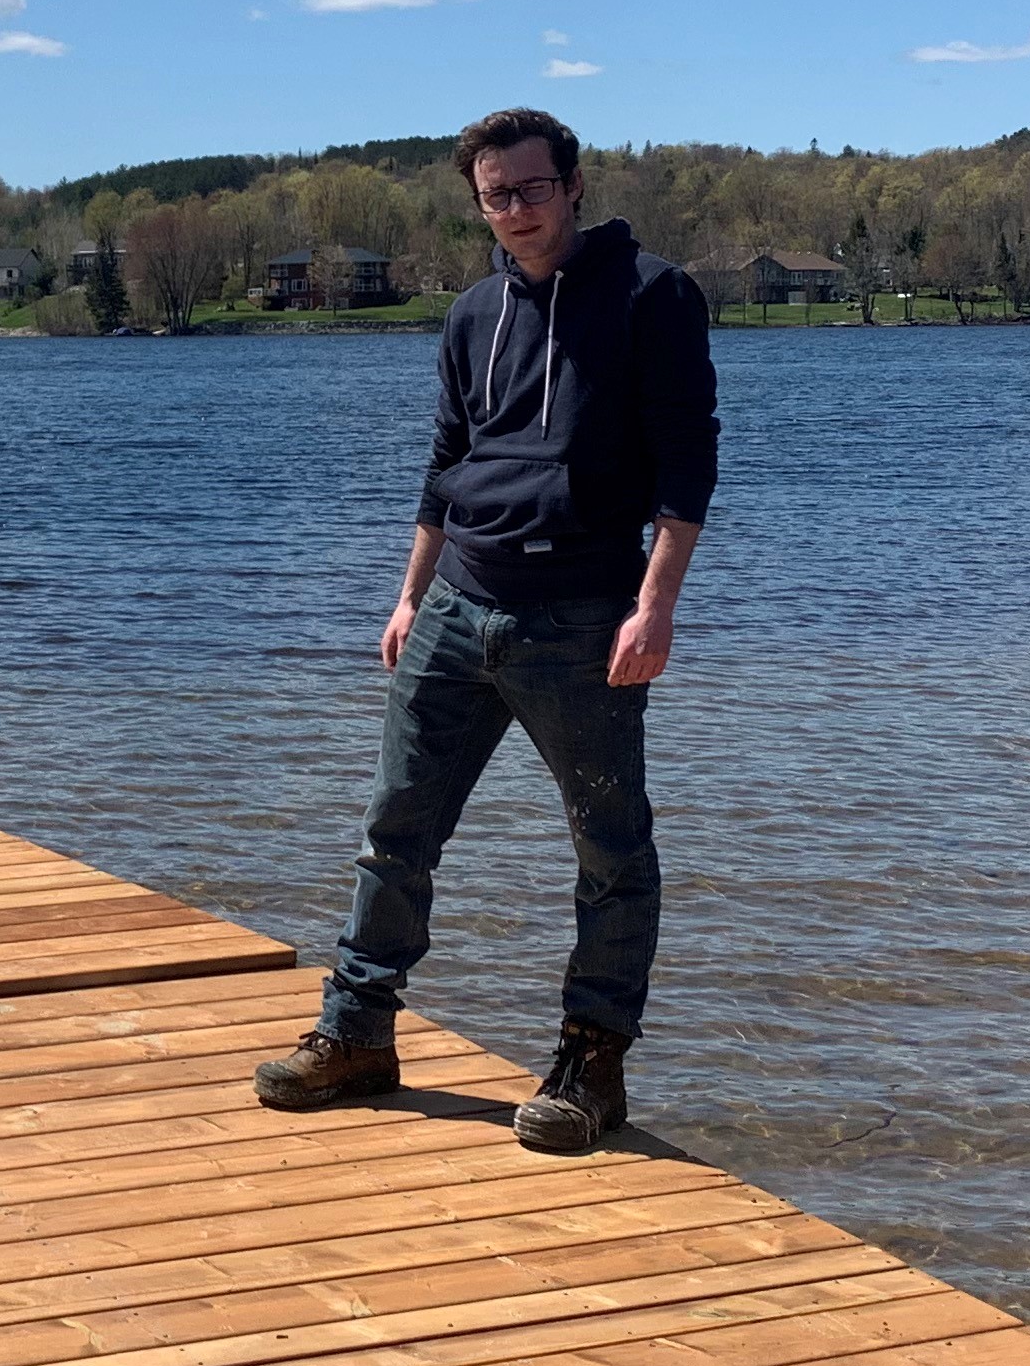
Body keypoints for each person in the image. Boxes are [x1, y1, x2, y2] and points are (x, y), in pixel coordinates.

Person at [255, 105, 718, 1150]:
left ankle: (591, 1065)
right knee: (396, 831)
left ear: (575, 186)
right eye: (496, 195)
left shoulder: (654, 297)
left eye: (533, 188)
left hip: (584, 617)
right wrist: (411, 594)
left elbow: (689, 462)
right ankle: (357, 1033)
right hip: (457, 607)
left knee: (609, 849)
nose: (516, 210)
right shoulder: (473, 313)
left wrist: (656, 605)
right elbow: (446, 462)